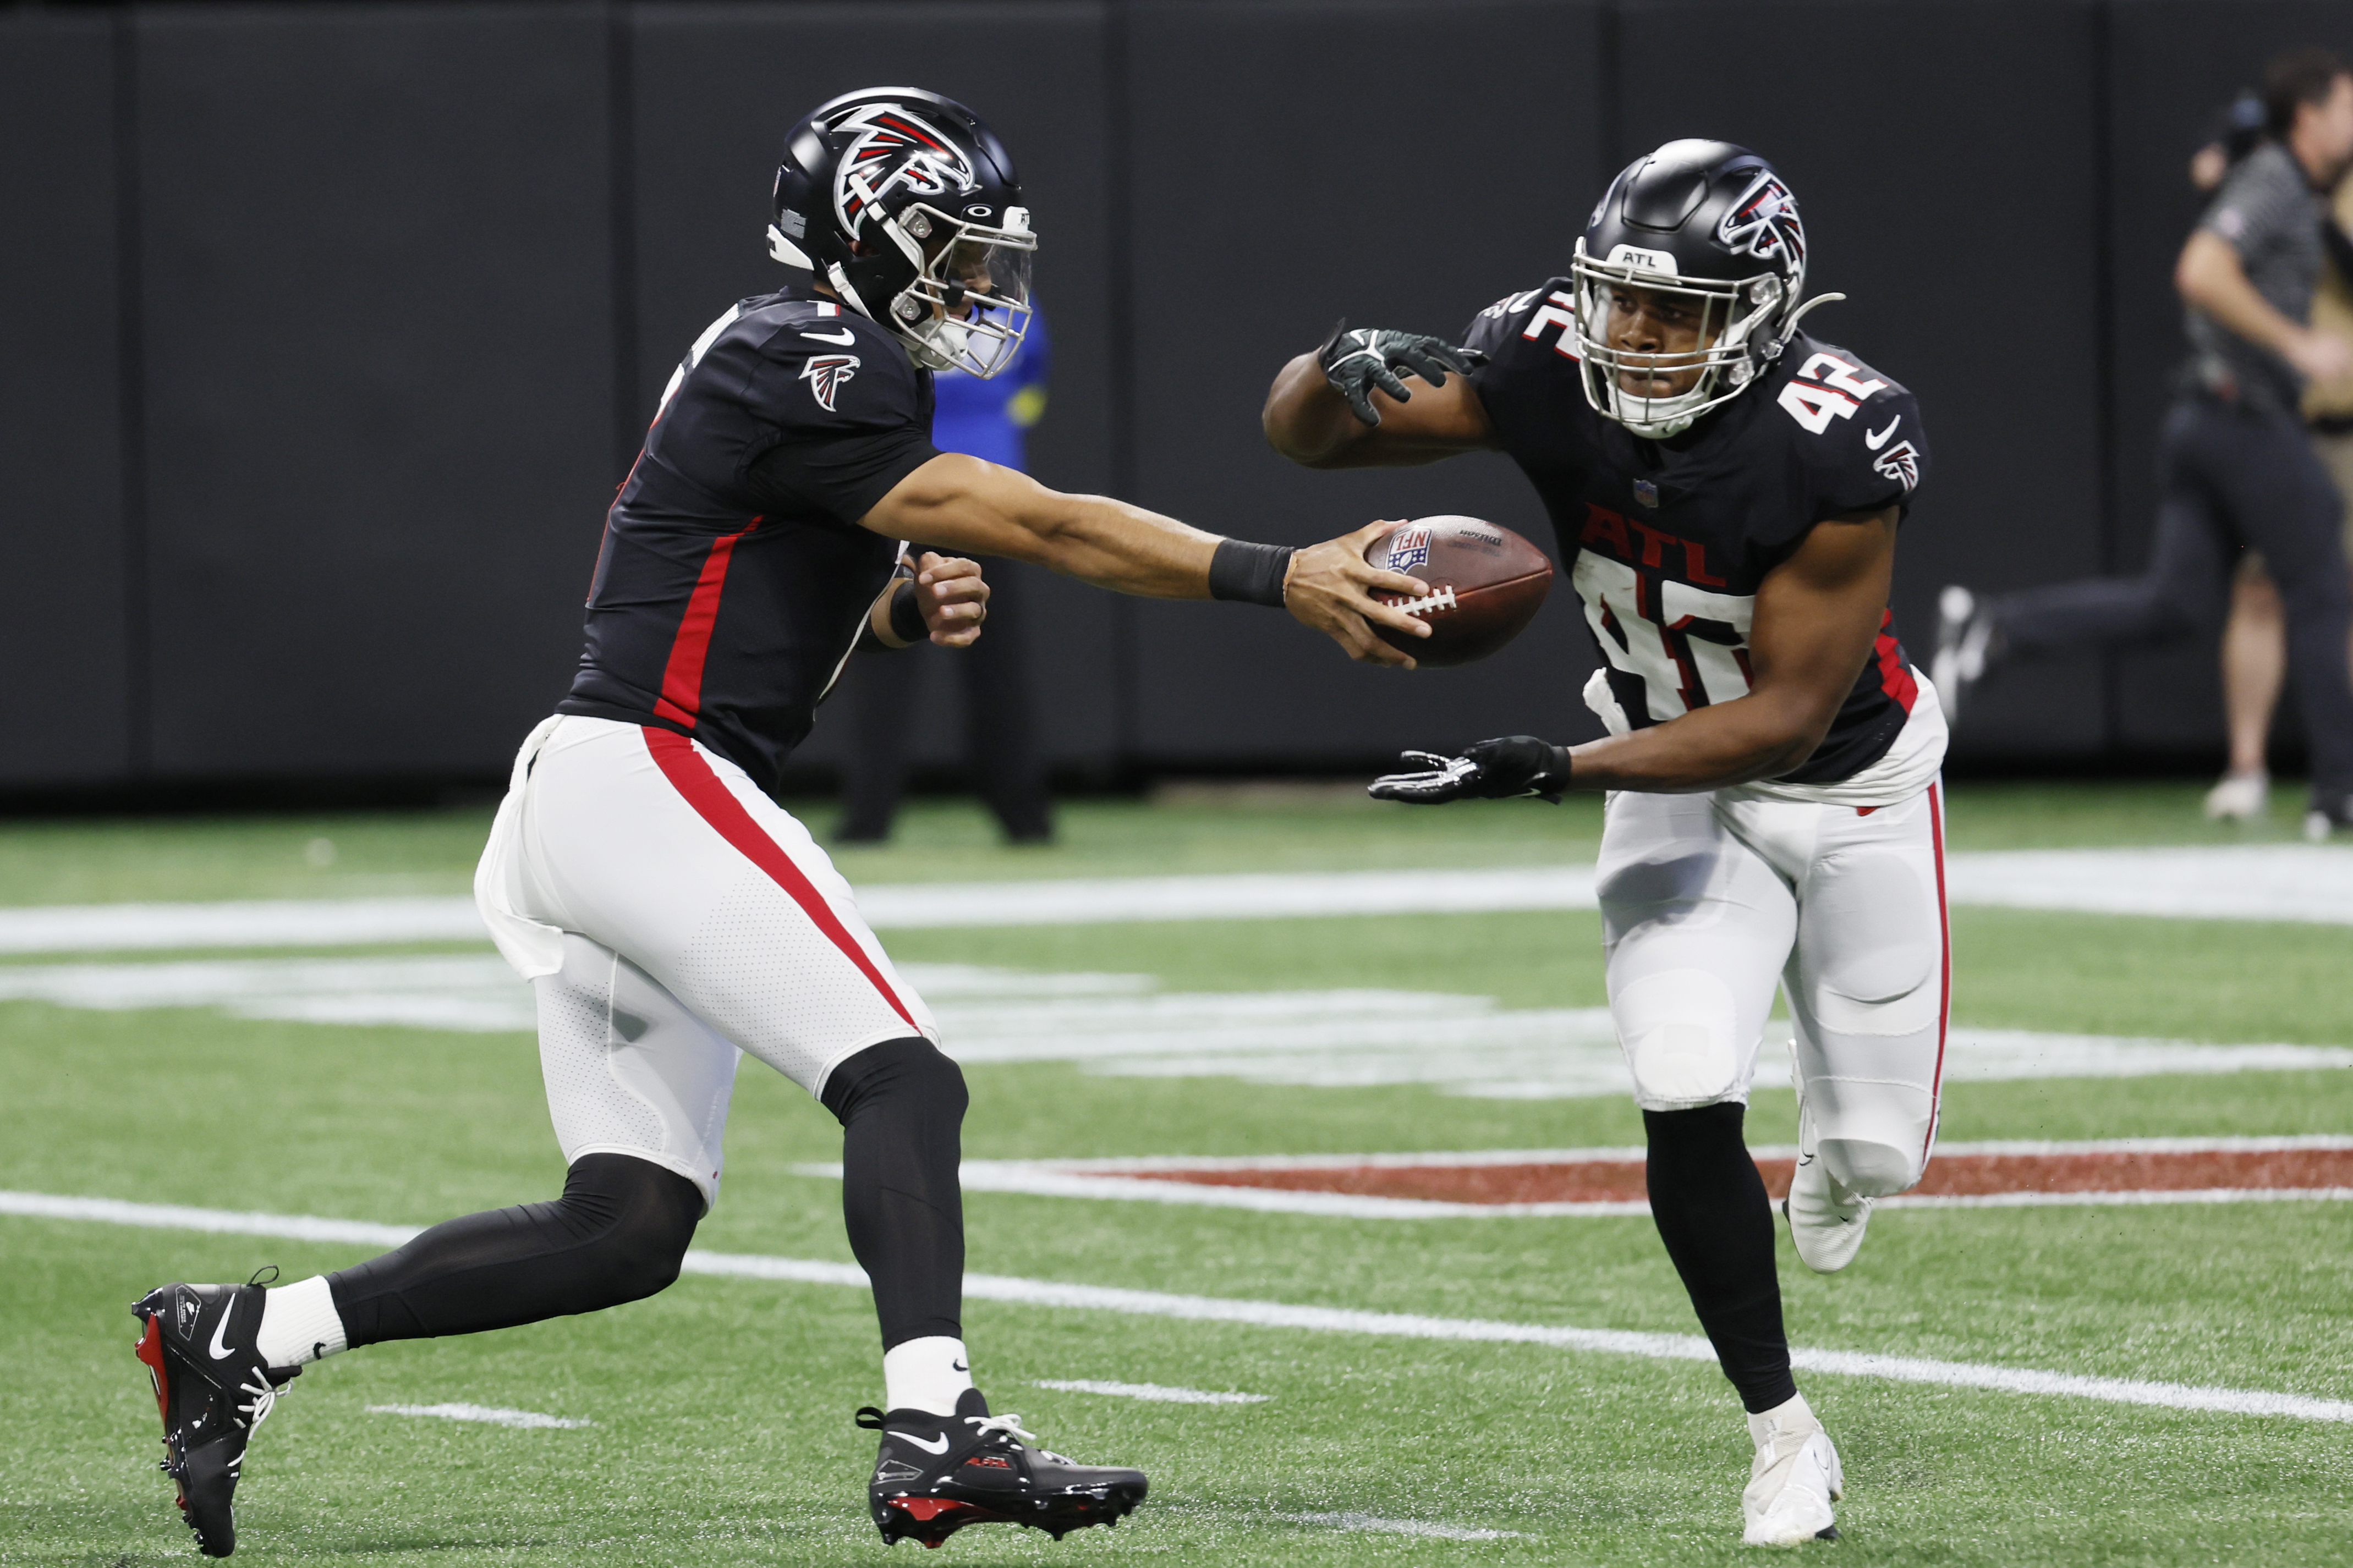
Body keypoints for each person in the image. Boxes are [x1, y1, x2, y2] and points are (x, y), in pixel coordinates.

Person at [128, 87, 1431, 1559]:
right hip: (647, 776)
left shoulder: (796, 353)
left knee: (626, 1223)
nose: (979, 287)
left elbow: (720, 583)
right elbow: (1047, 524)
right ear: (867, 233)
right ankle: (939, 1430)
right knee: (903, 1080)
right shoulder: (811, 347)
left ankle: (250, 1331)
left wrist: (875, 613)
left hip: (600, 787)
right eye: (953, 251)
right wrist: (1280, 573)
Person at [1264, 140, 1948, 1547]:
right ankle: (1782, 1434)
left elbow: (1785, 715)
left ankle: (1838, 1144)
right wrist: (1332, 363)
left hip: (1852, 782)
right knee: (1685, 1072)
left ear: (1762, 309)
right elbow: (1304, 435)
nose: (1634, 337)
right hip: (1668, 779)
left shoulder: (1838, 435)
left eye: (1678, 310)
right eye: (1620, 302)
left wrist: (1553, 766)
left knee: (1879, 1158)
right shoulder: (1543, 353)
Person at [1934, 48, 2353, 840]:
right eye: (2347, 108)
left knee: (2177, 605)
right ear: (2311, 113)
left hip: (2206, 418)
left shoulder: (2286, 182)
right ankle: (2338, 791)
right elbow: (2200, 270)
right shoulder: (2272, 175)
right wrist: (2297, 345)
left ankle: (1999, 628)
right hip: (2241, 413)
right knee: (2325, 588)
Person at [837, 311, 1055, 843]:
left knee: (884, 656)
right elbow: (1030, 392)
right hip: (987, 487)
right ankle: (1024, 818)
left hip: (910, 485)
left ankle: (868, 818)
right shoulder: (1008, 303)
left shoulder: (890, 299)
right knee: (996, 665)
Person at [2203, 169, 2353, 821]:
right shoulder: (2280, 184)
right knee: (2258, 590)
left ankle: (2340, 775)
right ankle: (2245, 769)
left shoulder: (2312, 200)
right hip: (2291, 422)